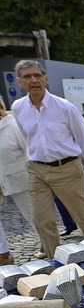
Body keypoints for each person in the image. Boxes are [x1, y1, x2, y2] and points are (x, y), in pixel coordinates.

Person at [11, 60, 84, 259]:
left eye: (37, 75)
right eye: (27, 76)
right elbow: (25, 136)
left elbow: (81, 138)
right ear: (19, 81)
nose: (33, 80)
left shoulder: (64, 107)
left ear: (46, 79)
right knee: (42, 219)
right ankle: (55, 262)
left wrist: (70, 161)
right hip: (36, 170)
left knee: (83, 217)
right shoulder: (18, 108)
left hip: (66, 168)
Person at [0, 94, 40, 262]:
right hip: (3, 178)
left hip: (19, 177)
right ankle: (3, 253)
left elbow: (28, 150)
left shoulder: (11, 125)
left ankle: (49, 243)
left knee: (31, 214)